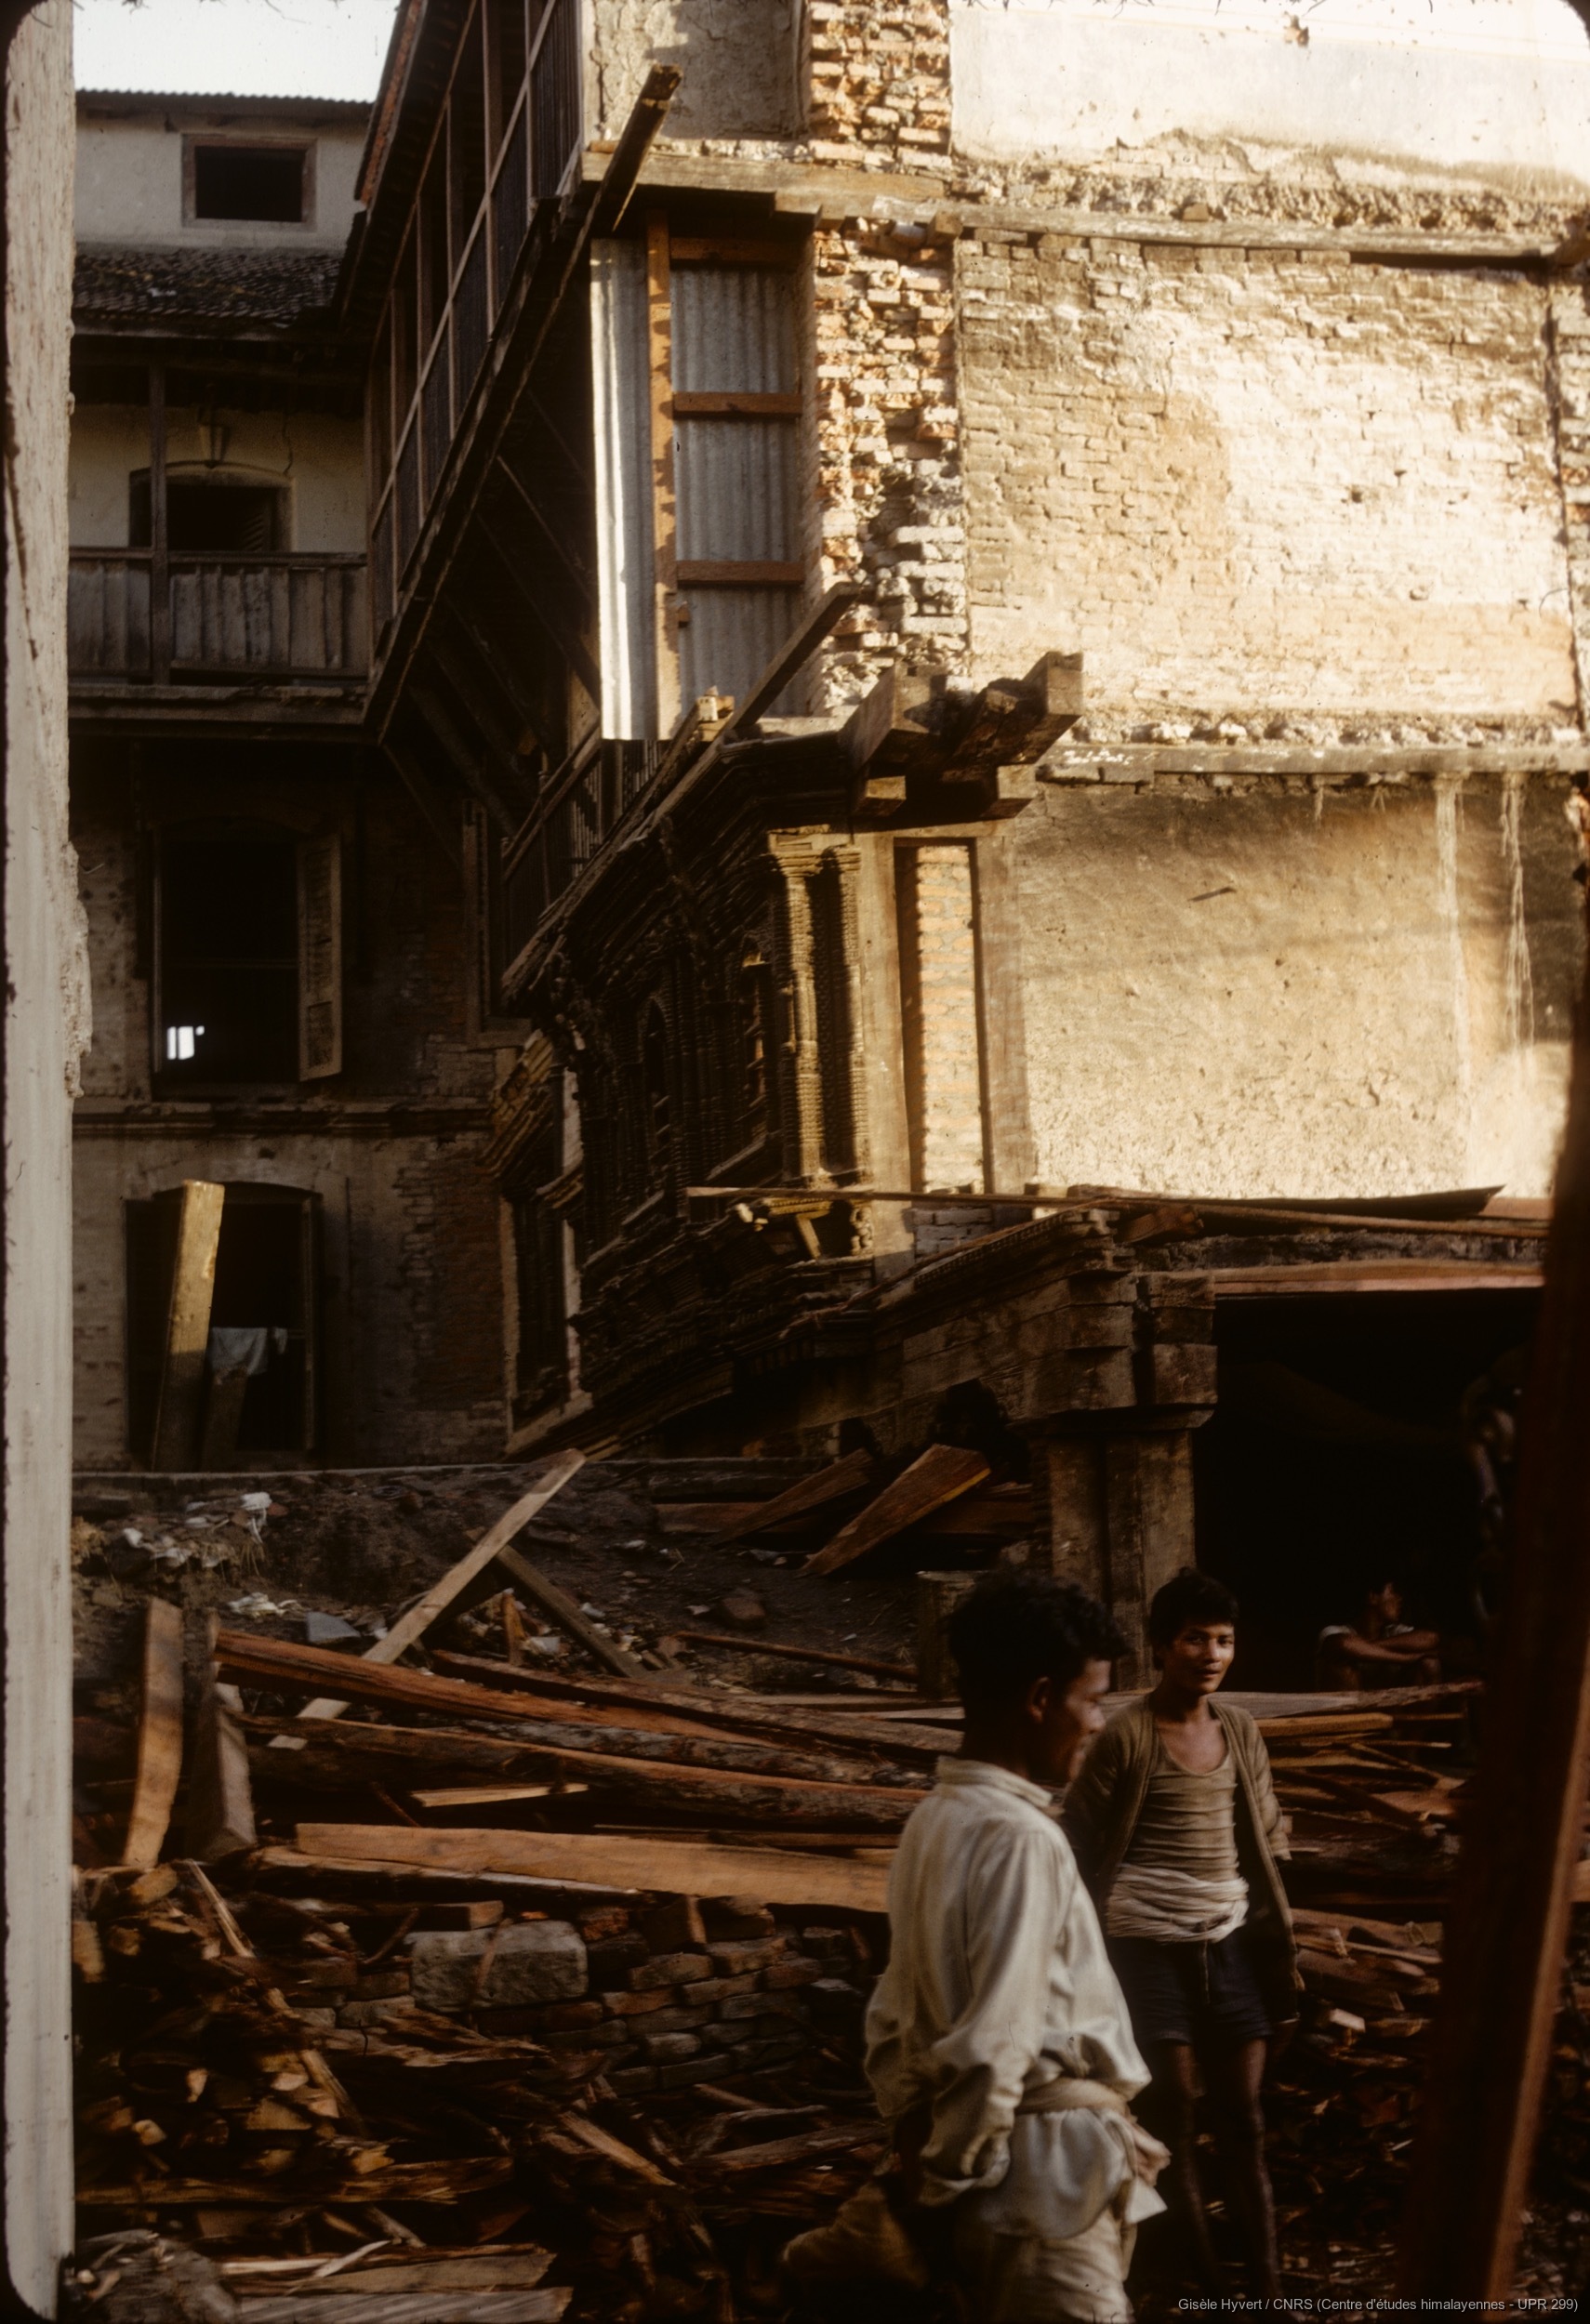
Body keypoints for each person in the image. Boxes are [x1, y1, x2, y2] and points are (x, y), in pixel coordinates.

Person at [782, 1570, 1169, 2323]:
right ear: (1040, 1698)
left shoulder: (935, 1819)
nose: (1098, 1724)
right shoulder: (1022, 1838)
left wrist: (920, 2154)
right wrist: (947, 2182)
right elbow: (998, 2039)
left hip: (990, 2165)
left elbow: (892, 2017)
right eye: (1092, 1701)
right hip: (1044, 2180)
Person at [1063, 1568, 1296, 2302]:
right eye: (1196, 1638)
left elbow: (1267, 1838)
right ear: (1162, 1646)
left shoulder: (1239, 1731)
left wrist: (1274, 1937)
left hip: (1226, 1943)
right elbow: (1078, 1841)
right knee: (1177, 2115)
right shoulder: (1126, 1736)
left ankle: (1270, 2294)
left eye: (1224, 1640)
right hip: (1144, 1947)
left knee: (1245, 2120)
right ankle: (1212, 2295)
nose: (1212, 1654)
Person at [1315, 1575, 1440, 1690]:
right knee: (1344, 1668)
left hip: (1388, 1705)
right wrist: (1405, 1658)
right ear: (1372, 1597)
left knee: (1430, 1663)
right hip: (1350, 1706)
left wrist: (1366, 1647)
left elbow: (1430, 1638)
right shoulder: (1336, 1631)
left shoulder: (1393, 1632)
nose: (1399, 1599)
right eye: (1392, 1591)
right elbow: (1343, 1644)